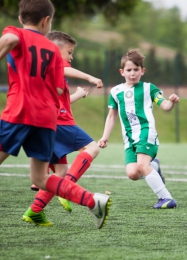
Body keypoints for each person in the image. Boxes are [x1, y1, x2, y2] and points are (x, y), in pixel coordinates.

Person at [0, 0, 111, 229]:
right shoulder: (51, 50)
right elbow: (58, 89)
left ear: (21, 19)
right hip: (45, 118)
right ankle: (93, 201)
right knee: (41, 179)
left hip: (19, 111)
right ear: (46, 20)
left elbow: (10, 40)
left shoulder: (14, 32)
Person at [27, 30, 104, 215]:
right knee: (92, 148)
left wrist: (77, 94)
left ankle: (34, 211)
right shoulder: (55, 64)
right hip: (61, 123)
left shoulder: (46, 69)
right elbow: (63, 68)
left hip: (48, 124)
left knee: (60, 171)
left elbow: (60, 100)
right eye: (69, 52)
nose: (71, 57)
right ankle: (67, 188)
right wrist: (90, 77)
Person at [98, 49, 179, 209]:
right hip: (129, 139)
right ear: (122, 72)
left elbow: (164, 105)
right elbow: (112, 116)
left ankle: (166, 198)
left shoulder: (149, 88)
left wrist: (171, 102)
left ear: (143, 71)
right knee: (133, 174)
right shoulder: (115, 91)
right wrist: (104, 137)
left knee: (142, 166)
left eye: (136, 70)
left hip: (145, 133)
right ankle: (154, 167)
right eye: (129, 70)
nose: (133, 73)